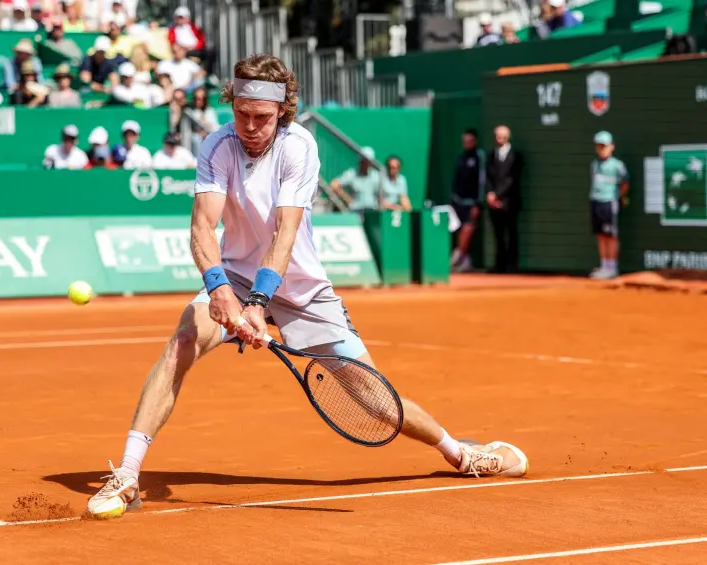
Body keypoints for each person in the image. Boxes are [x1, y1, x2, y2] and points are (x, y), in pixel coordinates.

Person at [86, 54, 529, 518]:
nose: (250, 126)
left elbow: (284, 233)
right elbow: (202, 228)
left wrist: (259, 303)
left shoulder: (299, 147)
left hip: (301, 289)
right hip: (235, 276)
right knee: (182, 341)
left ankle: (460, 454)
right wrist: (219, 290)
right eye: (241, 113)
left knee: (378, 405)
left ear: (283, 111)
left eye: (261, 117)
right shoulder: (217, 147)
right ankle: (129, 476)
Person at [589, 131, 628, 280]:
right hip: (595, 201)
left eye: (604, 146)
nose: (601, 149)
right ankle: (604, 266)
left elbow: (625, 183)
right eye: (598, 146)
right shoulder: (594, 164)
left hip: (609, 202)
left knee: (610, 236)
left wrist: (619, 197)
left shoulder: (617, 165)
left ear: (611, 147)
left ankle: (612, 268)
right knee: (600, 235)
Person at [485, 125, 523, 274]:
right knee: (498, 235)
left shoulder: (516, 156)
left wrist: (498, 195)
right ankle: (499, 265)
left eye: (502, 136)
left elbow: (512, 180)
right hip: (493, 202)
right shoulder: (491, 155)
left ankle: (512, 265)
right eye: (497, 135)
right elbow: (487, 177)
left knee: (511, 234)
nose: (499, 138)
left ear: (508, 137)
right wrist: (490, 194)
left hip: (510, 202)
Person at [450, 129, 486, 272]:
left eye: (470, 141)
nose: (467, 143)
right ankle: (465, 261)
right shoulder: (461, 157)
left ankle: (458, 256)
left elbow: (482, 182)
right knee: (460, 230)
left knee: (468, 229)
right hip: (458, 201)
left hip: (472, 202)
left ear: (475, 141)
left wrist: (478, 203)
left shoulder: (479, 156)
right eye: (465, 141)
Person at [331, 146, 381, 213]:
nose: (367, 164)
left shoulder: (377, 176)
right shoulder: (351, 174)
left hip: (372, 211)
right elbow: (334, 184)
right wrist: (348, 200)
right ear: (360, 160)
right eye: (365, 161)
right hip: (355, 211)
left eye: (369, 161)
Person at [186, 86, 219, 156]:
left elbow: (215, 129)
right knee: (196, 138)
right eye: (196, 98)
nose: (199, 101)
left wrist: (205, 124)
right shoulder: (189, 110)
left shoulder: (210, 111)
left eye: (202, 98)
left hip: (208, 139)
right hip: (192, 140)